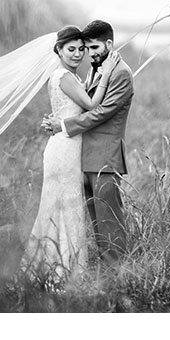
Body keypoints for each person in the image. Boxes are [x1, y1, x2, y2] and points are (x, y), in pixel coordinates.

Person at [21, 26, 120, 284]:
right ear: (59, 51)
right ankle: (63, 272)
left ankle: (60, 268)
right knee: (64, 208)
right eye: (71, 50)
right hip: (64, 149)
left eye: (81, 49)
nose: (77, 54)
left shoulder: (73, 77)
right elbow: (91, 105)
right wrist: (107, 72)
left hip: (68, 145)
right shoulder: (63, 76)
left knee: (66, 208)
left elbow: (73, 107)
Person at [42, 19, 134, 261]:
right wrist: (58, 118)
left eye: (92, 48)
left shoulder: (121, 73)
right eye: (85, 48)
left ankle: (117, 275)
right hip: (83, 156)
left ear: (109, 44)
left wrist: (62, 125)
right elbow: (80, 106)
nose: (88, 54)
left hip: (104, 157)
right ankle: (106, 272)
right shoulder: (97, 68)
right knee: (97, 221)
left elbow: (101, 113)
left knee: (109, 221)